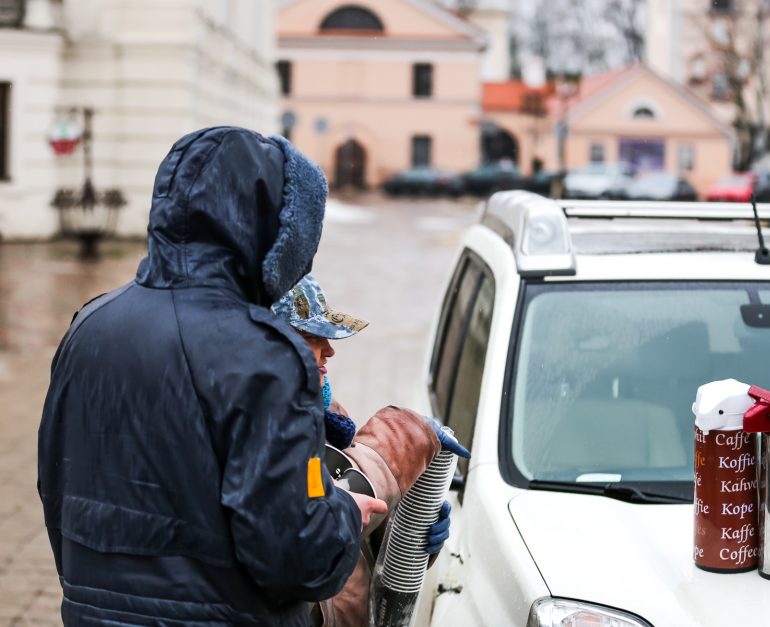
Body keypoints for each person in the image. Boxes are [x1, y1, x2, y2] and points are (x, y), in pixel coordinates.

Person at [38, 127, 385, 624]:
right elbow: (298, 559)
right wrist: (344, 514)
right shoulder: (266, 353)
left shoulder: (91, 323)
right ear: (280, 232)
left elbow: (57, 491)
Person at [271, 275, 468, 627]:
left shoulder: (331, 423)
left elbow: (355, 542)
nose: (329, 350)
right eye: (311, 337)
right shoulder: (258, 438)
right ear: (270, 345)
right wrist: (406, 433)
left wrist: (409, 533)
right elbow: (314, 527)